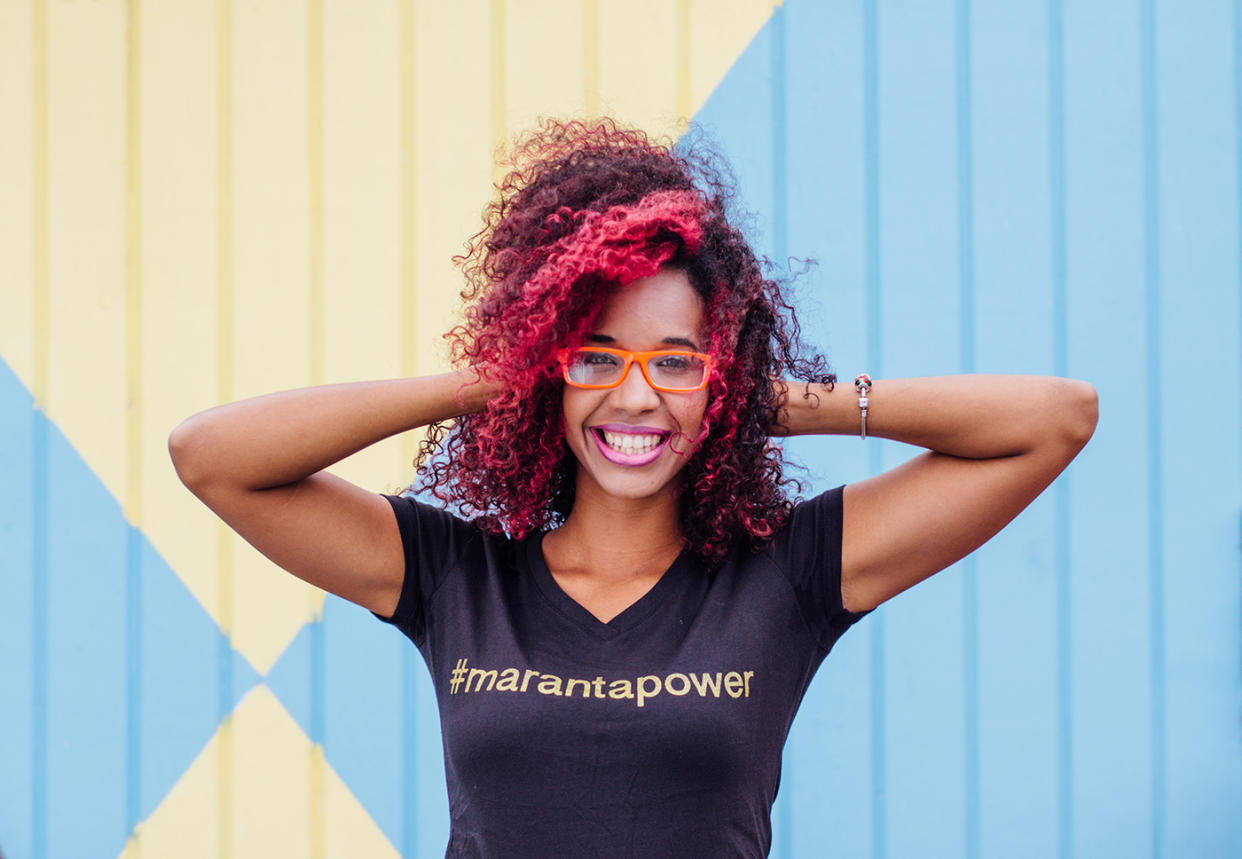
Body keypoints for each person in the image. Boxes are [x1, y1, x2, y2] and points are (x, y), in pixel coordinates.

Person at [169, 119, 1097, 857]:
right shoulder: (457, 578)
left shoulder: (790, 575)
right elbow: (212, 455)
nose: (636, 393)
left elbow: (1055, 419)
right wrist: (494, 378)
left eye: (677, 362)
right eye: (598, 354)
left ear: (721, 379)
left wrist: (780, 402)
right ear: (551, 369)